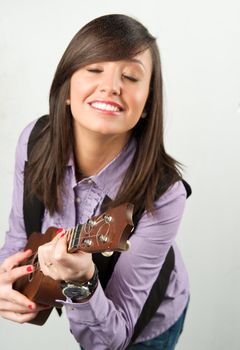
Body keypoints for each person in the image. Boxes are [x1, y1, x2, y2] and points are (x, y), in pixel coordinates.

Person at [0, 14, 190, 350]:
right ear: (67, 87)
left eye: (131, 76)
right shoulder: (34, 139)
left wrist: (81, 282)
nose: (112, 86)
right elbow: (19, 238)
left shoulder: (165, 194)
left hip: (146, 325)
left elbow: (111, 340)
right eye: (94, 69)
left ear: (146, 104)